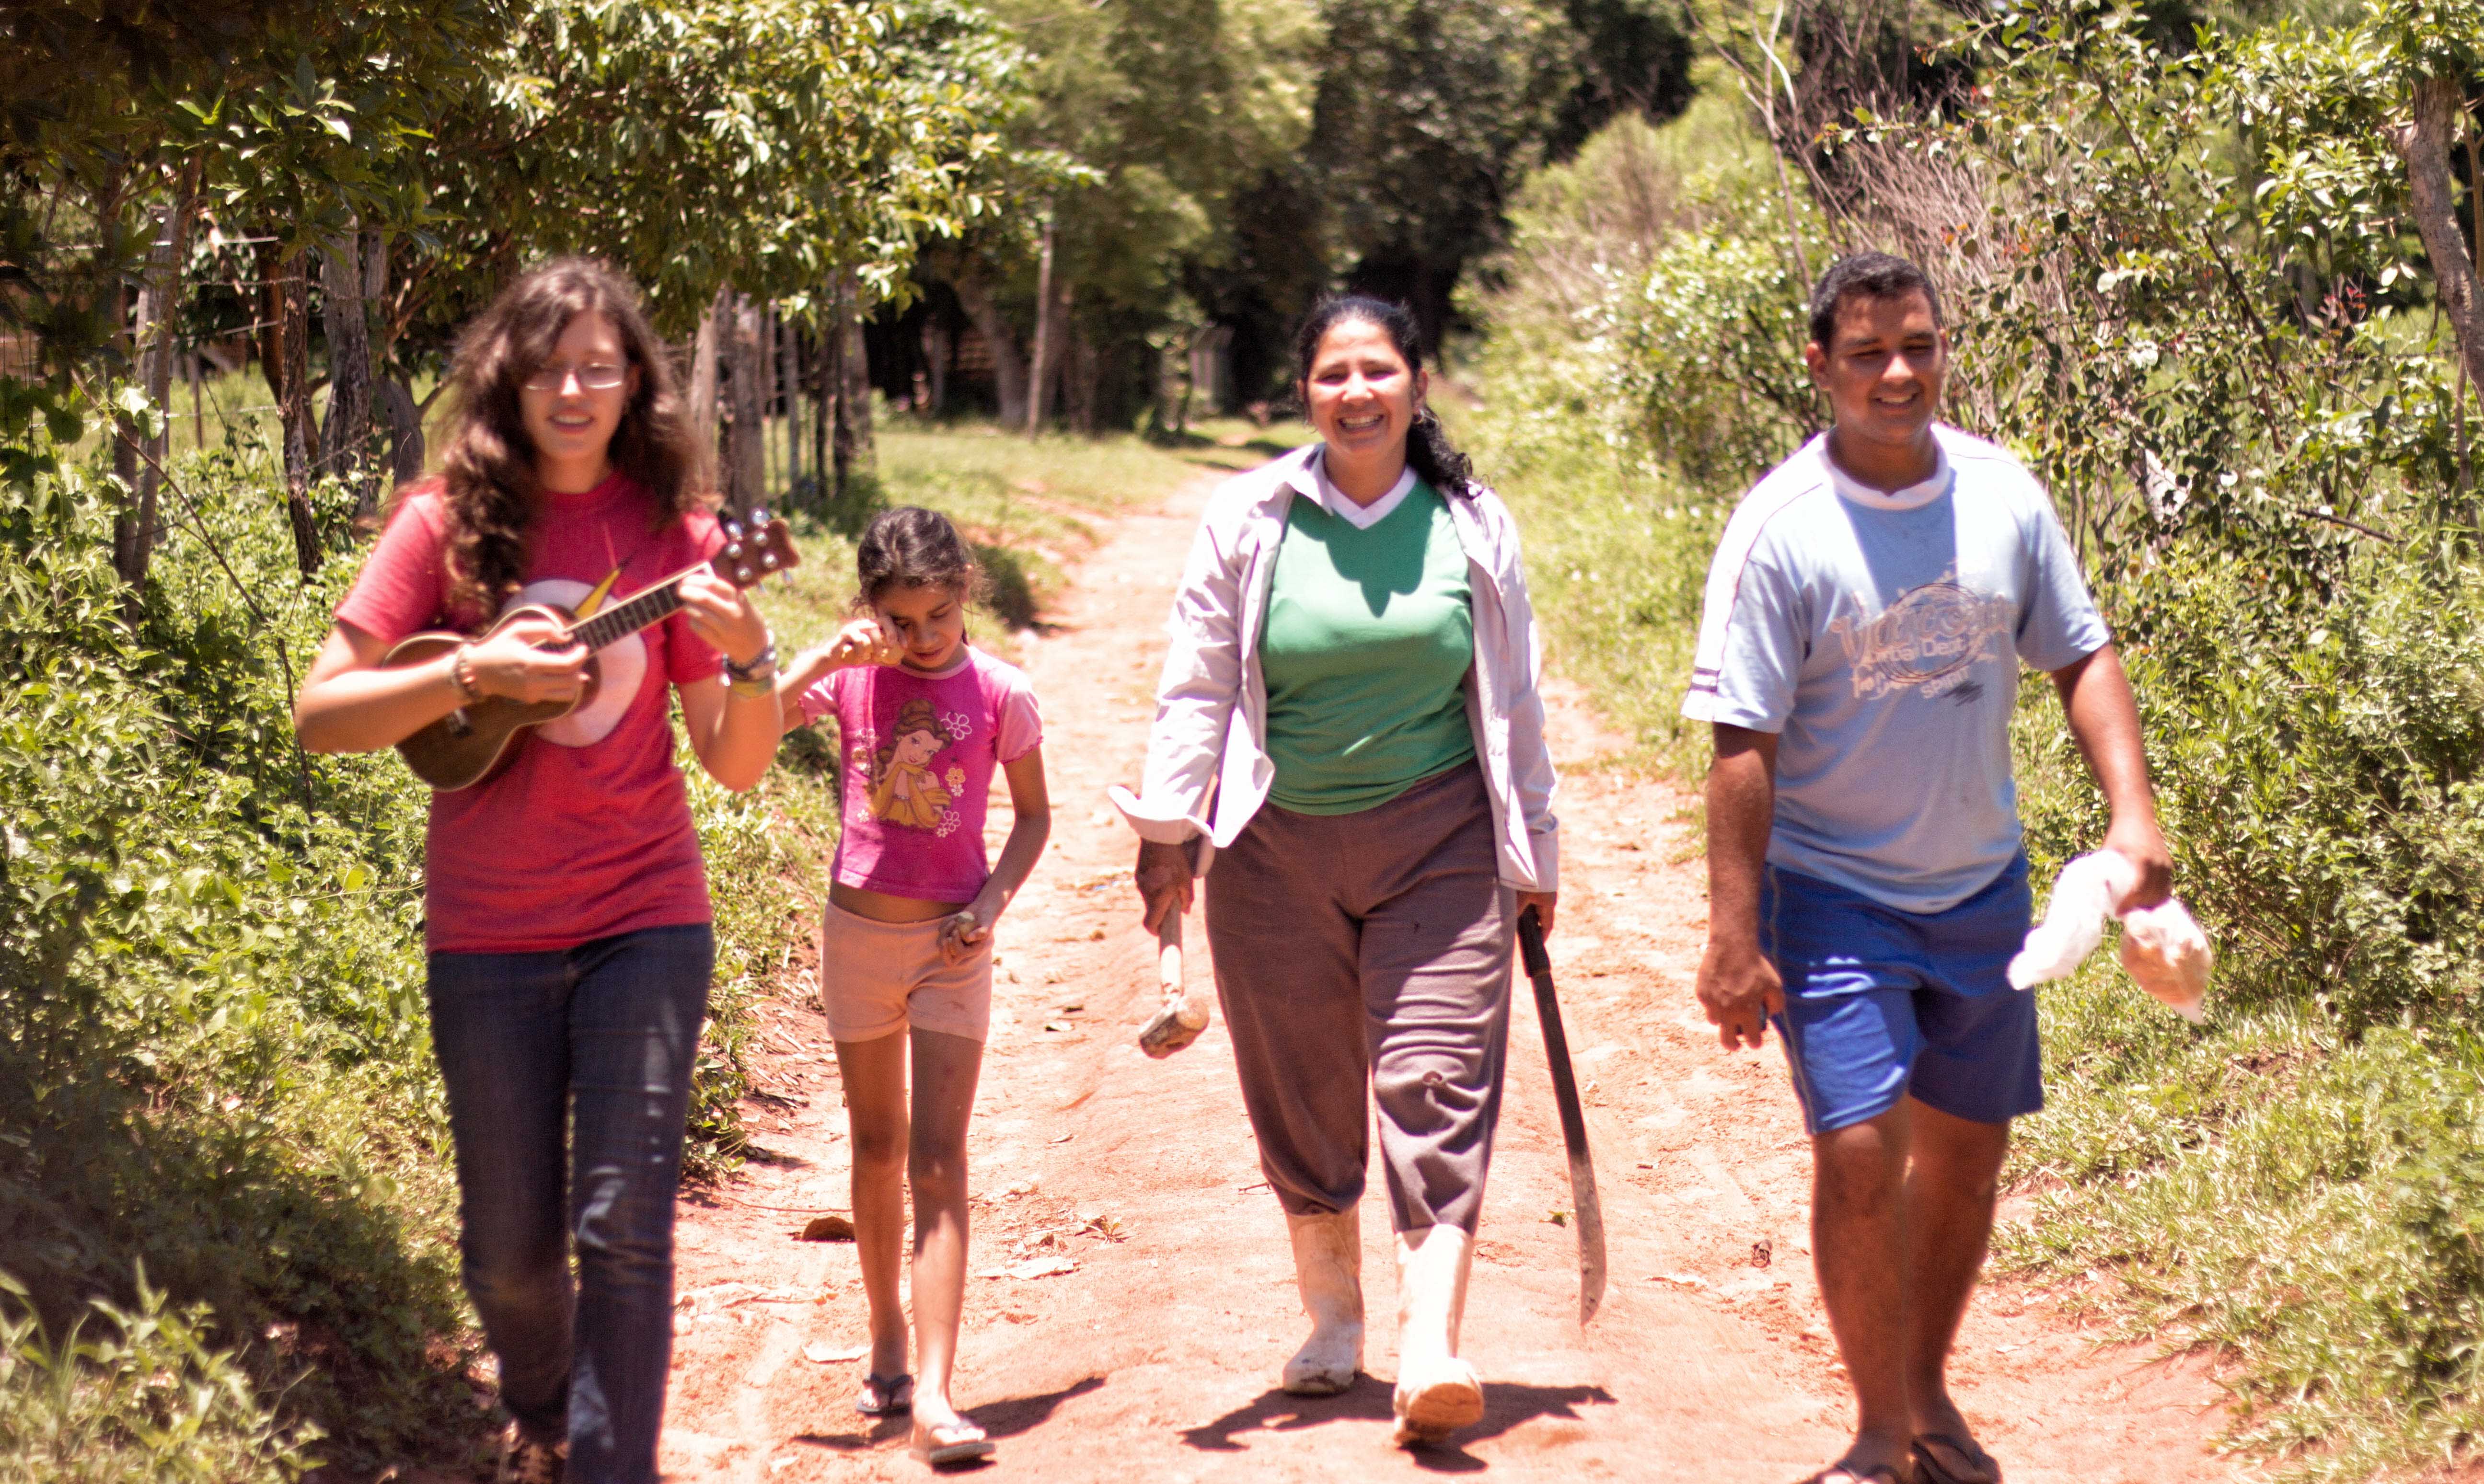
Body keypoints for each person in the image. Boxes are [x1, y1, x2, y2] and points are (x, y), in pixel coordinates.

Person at [292, 259, 783, 1484]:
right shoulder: (440, 523)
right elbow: (323, 712)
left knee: (624, 1229)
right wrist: (474, 675)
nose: (575, 388)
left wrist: (758, 657)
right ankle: (550, 1412)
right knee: (510, 1254)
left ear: (635, 387)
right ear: (507, 376)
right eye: (551, 364)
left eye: (601, 367)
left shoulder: (677, 536)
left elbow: (730, 764)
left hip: (646, 917)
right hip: (489, 932)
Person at [1686, 252, 2172, 1484]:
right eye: (1867, 353)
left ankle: (1925, 1396)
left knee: (1966, 1151)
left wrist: (2135, 819)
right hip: (1833, 893)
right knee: (1859, 1147)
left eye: (1918, 345)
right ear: (1820, 366)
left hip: (1982, 890)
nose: (1897, 373)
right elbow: (1741, 747)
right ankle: (1872, 1432)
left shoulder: (2004, 496)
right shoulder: (1780, 530)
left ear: (1943, 347)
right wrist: (1733, 935)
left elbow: (2082, 656)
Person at [1119, 296, 1560, 1448]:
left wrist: (1536, 852)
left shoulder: (1472, 521)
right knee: (1303, 1086)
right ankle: (1331, 1320)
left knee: (1437, 1077)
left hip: (1444, 842)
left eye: (1378, 370)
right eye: (1332, 373)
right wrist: (1172, 828)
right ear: (1305, 390)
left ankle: (1430, 1346)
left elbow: (1515, 703)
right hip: (1272, 844)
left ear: (1418, 384)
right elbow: (1198, 680)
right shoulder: (1252, 514)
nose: (1356, 391)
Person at [774, 507, 1051, 1469]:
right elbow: (752, 724)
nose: (921, 639)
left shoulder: (1001, 692)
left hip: (952, 950)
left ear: (965, 589)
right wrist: (818, 657)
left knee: (940, 1158)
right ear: (871, 611)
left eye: (936, 616)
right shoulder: (852, 677)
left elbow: (1031, 819)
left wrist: (992, 904)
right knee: (877, 1145)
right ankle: (885, 1330)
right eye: (901, 621)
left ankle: (935, 1389)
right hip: (857, 940)